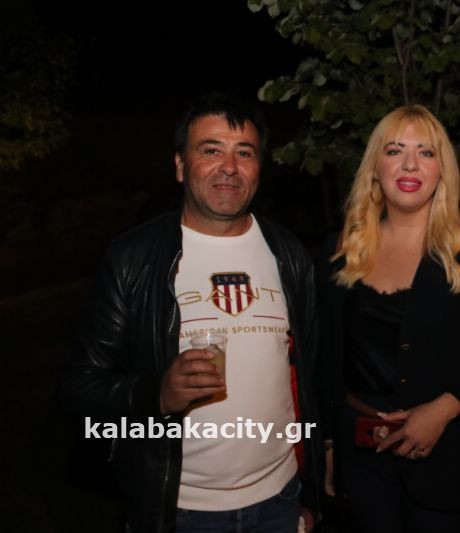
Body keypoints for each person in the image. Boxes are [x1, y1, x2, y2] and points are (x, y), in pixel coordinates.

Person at [61, 93, 320, 533]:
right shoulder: (133, 259)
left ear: (259, 168)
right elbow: (79, 390)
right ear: (181, 166)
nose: (229, 167)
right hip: (180, 509)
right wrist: (156, 395)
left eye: (245, 153)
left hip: (279, 500)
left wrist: (308, 492)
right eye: (211, 150)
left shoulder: (289, 254)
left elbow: (310, 377)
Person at [318, 105, 460, 533]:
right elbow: (326, 357)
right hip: (362, 459)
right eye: (395, 150)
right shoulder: (339, 250)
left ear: (441, 169)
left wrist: (443, 411)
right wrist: (329, 443)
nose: (410, 164)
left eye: (426, 153)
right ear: (375, 169)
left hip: (447, 460)